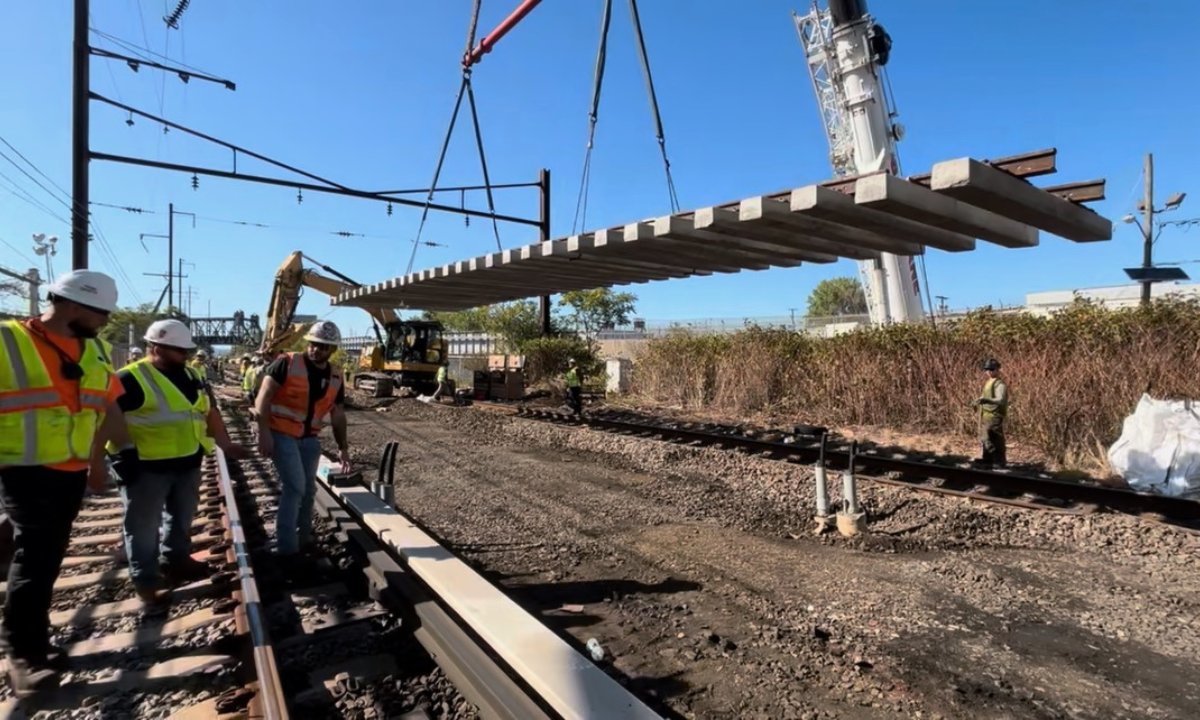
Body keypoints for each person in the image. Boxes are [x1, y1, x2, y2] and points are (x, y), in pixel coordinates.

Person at [0, 270, 122, 696]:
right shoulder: (8, 340)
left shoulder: (96, 350)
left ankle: (36, 641)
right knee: (35, 558)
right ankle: (22, 655)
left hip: (71, 471)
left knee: (48, 556)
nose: (104, 321)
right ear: (71, 303)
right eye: (100, 312)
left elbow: (102, 409)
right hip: (23, 468)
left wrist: (99, 461)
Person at [105, 320, 249, 609]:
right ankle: (146, 580)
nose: (185, 355)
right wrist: (111, 456)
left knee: (181, 517)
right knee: (143, 526)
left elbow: (209, 412)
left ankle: (176, 560)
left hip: (188, 460)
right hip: (146, 466)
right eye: (179, 350)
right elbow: (105, 416)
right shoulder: (129, 377)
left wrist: (226, 444)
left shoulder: (193, 375)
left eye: (187, 350)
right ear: (156, 347)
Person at [254, 322, 352, 567]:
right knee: (295, 487)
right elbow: (263, 396)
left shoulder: (336, 375)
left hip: (309, 439)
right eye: (313, 344)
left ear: (332, 349)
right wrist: (263, 432)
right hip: (281, 433)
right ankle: (287, 549)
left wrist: (343, 448)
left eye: (323, 346)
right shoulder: (287, 363)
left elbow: (338, 415)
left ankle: (304, 539)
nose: (316, 349)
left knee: (308, 491)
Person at [973, 358, 1009, 468]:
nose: (989, 372)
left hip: (995, 415)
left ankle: (999, 461)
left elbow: (1000, 400)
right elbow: (985, 396)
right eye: (987, 369)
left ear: (997, 370)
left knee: (994, 438)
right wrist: (977, 402)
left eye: (992, 369)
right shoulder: (989, 382)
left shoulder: (999, 384)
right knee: (985, 437)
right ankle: (987, 459)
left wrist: (986, 400)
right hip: (986, 414)